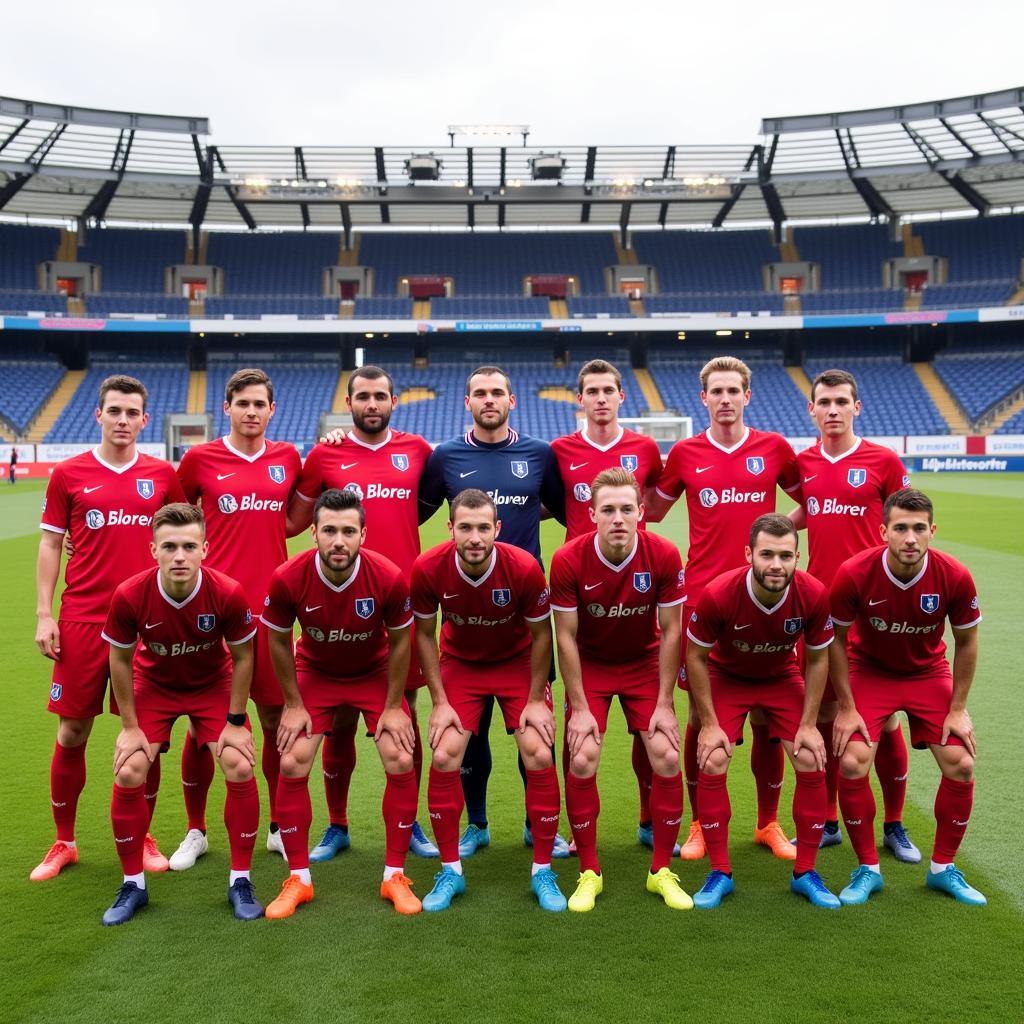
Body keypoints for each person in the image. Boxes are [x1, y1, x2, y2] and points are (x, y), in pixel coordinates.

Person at [646, 356, 801, 862]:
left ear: (747, 396)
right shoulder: (686, 453)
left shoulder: (774, 449)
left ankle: (768, 823)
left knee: (767, 720)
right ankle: (698, 822)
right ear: (704, 398)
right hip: (706, 604)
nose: (726, 399)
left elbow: (812, 502)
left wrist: (783, 535)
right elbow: (653, 511)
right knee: (701, 717)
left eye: (734, 390)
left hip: (769, 601)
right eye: (717, 391)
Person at [32, 374, 185, 882]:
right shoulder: (68, 474)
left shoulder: (163, 475)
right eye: (114, 411)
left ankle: (142, 837)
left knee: (146, 738)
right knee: (73, 729)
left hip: (147, 625)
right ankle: (64, 841)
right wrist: (44, 613)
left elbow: (184, 534)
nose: (123, 420)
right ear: (98, 416)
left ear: (145, 419)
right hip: (81, 620)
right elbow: (52, 544)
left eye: (132, 413)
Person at [419, 365, 568, 858]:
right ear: (467, 402)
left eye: (497, 392)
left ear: (512, 400)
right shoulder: (445, 457)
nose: (489, 400)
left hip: (525, 617)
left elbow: (564, 511)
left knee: (535, 733)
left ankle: (534, 823)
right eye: (480, 393)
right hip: (465, 618)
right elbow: (406, 511)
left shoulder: (539, 455)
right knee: (470, 733)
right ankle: (478, 823)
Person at [291, 365, 437, 860]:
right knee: (338, 723)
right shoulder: (326, 452)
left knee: (405, 715)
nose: (371, 404)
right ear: (349, 402)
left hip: (399, 602)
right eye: (363, 397)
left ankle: (410, 821)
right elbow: (292, 519)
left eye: (380, 396)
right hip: (335, 601)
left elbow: (438, 502)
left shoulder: (417, 451)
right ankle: (337, 824)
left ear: (393, 401)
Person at [161, 367, 302, 871]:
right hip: (208, 612)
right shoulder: (199, 459)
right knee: (203, 727)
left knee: (270, 720)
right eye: (241, 403)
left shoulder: (287, 458)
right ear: (227, 408)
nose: (250, 411)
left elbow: (298, 516)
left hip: (270, 613)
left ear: (271, 410)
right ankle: (196, 829)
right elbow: (171, 522)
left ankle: (277, 827)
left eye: (259, 404)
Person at [260, 488, 421, 918]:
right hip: (316, 672)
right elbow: (277, 640)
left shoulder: (387, 576)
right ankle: (299, 878)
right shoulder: (288, 577)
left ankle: (394, 875)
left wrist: (391, 707)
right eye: (329, 530)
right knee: (293, 760)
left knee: (399, 755)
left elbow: (403, 642)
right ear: (312, 532)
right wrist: (293, 704)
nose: (338, 541)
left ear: (363, 534)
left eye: (348, 531)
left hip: (373, 671)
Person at [99, 502, 261, 925]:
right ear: (152, 550)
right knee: (130, 769)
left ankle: (240, 880)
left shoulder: (226, 591)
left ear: (205, 548)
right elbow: (119, 660)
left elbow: (244, 656)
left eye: (189, 546)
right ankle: (133, 884)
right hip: (155, 685)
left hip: (212, 684)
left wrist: (237, 721)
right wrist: (130, 727)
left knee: (239, 764)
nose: (179, 556)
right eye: (168, 546)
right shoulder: (130, 594)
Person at [411, 488, 566, 911]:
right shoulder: (428, 568)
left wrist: (536, 698)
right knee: (444, 755)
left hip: (516, 663)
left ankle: (542, 870)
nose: (475, 537)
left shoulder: (523, 567)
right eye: (465, 527)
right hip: (462, 664)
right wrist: (440, 702)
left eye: (483, 527)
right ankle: (449, 871)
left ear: (497, 529)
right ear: (450, 529)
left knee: (537, 752)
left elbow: (541, 636)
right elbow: (424, 634)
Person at [830, 488, 985, 906]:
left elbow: (967, 642)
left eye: (919, 528)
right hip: (870, 671)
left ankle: (942, 869)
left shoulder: (954, 574)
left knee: (961, 763)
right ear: (883, 532)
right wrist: (845, 707)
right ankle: (867, 868)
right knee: (851, 759)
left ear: (932, 531)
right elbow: (835, 641)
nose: (910, 538)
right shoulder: (854, 572)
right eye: (900, 528)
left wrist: (958, 709)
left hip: (927, 673)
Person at [790, 368, 918, 860]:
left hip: (873, 607)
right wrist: (771, 531)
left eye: (842, 401)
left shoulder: (882, 460)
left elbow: (909, 525)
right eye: (824, 402)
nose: (833, 410)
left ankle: (894, 823)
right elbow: (809, 512)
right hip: (820, 606)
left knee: (880, 720)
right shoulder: (804, 462)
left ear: (857, 407)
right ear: (813, 410)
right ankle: (826, 820)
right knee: (823, 712)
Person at [685, 514, 842, 909]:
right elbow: (697, 657)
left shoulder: (813, 593)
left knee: (810, 757)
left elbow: (820, 660)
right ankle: (720, 871)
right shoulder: (720, 593)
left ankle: (806, 872)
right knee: (714, 756)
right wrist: (707, 723)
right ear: (749, 555)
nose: (776, 564)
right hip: (727, 674)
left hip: (780, 676)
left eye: (786, 555)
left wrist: (808, 724)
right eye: (767, 554)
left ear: (797, 557)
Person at [550, 468, 690, 912]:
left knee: (667, 754)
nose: (617, 518)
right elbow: (565, 637)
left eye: (626, 509)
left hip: (643, 663)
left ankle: (661, 871)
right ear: (591, 514)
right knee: (583, 752)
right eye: (607, 509)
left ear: (641, 512)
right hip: (590, 665)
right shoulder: (569, 559)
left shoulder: (664, 555)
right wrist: (578, 707)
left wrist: (666, 704)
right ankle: (589, 870)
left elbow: (671, 632)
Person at [550, 358, 670, 853]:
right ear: (579, 399)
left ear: (623, 396)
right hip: (582, 592)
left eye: (609, 390)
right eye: (591, 391)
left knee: (655, 740)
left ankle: (650, 820)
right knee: (579, 743)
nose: (600, 398)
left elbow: (659, 505)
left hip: (635, 596)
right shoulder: (557, 450)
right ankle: (571, 833)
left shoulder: (645, 448)